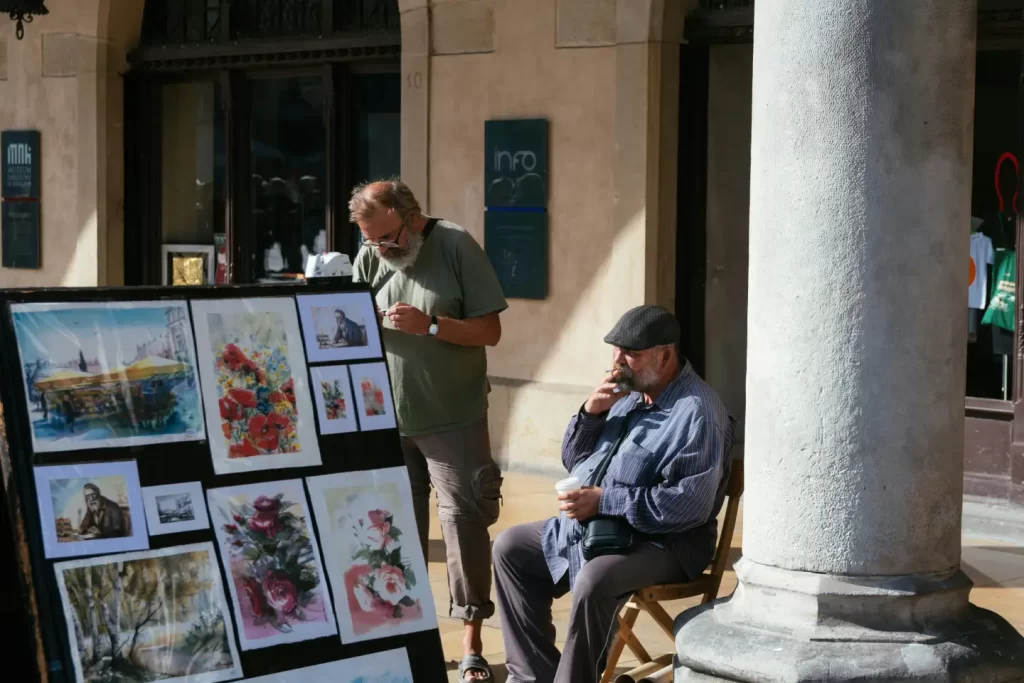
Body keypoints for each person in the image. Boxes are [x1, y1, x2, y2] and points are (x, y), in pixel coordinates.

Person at [492, 305, 735, 683]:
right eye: (616, 350)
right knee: (509, 548)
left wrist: (605, 501)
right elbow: (576, 462)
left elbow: (690, 504)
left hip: (665, 542)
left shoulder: (698, 411)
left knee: (594, 578)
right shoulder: (627, 392)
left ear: (665, 355)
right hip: (598, 529)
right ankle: (532, 676)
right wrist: (592, 413)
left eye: (631, 354)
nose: (619, 362)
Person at [350, 179, 508, 682]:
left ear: (410, 214)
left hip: (452, 416)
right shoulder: (371, 255)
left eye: (387, 238)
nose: (379, 250)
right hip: (387, 419)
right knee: (391, 536)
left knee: (463, 526)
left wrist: (433, 326)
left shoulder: (457, 244)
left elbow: (490, 331)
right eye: (370, 242)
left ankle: (472, 646)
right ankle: (410, 646)